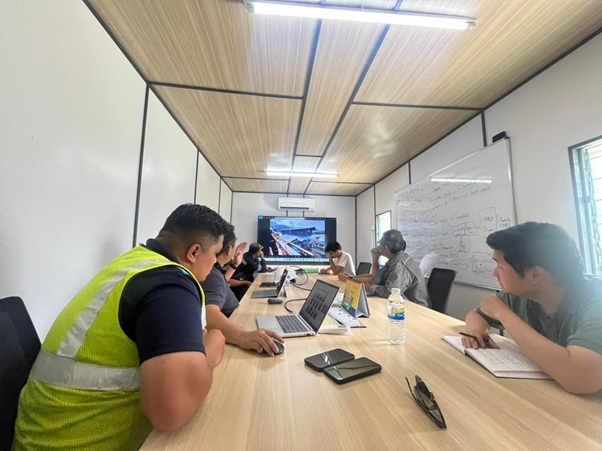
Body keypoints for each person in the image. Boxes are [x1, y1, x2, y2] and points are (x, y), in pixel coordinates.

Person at [13, 204, 228, 450]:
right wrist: (212, 349)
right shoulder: (169, 284)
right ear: (194, 252)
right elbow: (171, 412)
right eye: (216, 253)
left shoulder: (133, 264)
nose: (216, 263)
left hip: (41, 435)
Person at [462, 222, 602, 395]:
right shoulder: (520, 295)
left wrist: (502, 313)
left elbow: (580, 379)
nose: (495, 274)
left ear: (535, 274)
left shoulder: (596, 302)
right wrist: (476, 331)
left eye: (500, 266)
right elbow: (476, 315)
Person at [203, 225, 284, 357]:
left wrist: (234, 264)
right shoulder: (212, 275)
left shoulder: (214, 271)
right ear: (229, 250)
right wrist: (243, 336)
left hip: (235, 320)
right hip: (233, 323)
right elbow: (209, 313)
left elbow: (221, 281)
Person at [341, 230, 430, 308]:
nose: (378, 247)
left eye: (380, 244)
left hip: (417, 310)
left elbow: (390, 293)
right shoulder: (393, 261)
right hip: (401, 305)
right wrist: (375, 258)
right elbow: (375, 280)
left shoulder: (399, 264)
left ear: (385, 248)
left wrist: (371, 288)